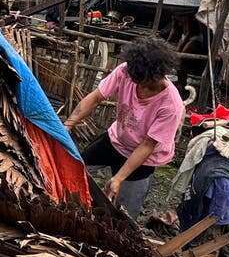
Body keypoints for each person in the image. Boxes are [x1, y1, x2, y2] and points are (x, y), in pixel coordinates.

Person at [64, 36, 183, 220]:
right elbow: (96, 97)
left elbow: (147, 145)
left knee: (124, 214)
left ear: (158, 75)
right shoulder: (126, 72)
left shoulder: (171, 105)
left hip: (143, 159)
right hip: (115, 140)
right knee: (73, 167)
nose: (139, 86)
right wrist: (68, 125)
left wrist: (118, 178)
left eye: (144, 82)